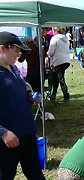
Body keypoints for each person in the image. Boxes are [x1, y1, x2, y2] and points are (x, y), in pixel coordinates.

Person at [0, 31, 45, 180]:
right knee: (6, 175)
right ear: (2, 48)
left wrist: (30, 97)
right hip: (7, 139)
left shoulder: (13, 68)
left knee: (35, 173)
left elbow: (15, 93)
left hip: (26, 132)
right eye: (16, 50)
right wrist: (3, 133)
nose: (19, 54)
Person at [47, 27, 70, 102]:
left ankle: (66, 96)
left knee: (60, 79)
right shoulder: (66, 38)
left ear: (54, 30)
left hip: (58, 61)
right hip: (66, 60)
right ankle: (53, 95)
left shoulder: (54, 38)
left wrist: (48, 54)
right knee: (56, 78)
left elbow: (51, 52)